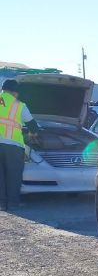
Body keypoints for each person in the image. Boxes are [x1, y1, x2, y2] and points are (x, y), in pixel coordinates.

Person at [0, 79, 39, 210]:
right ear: (15, 92)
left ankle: (1, 204)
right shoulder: (19, 105)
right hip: (13, 146)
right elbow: (33, 125)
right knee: (13, 175)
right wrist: (33, 136)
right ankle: (12, 204)